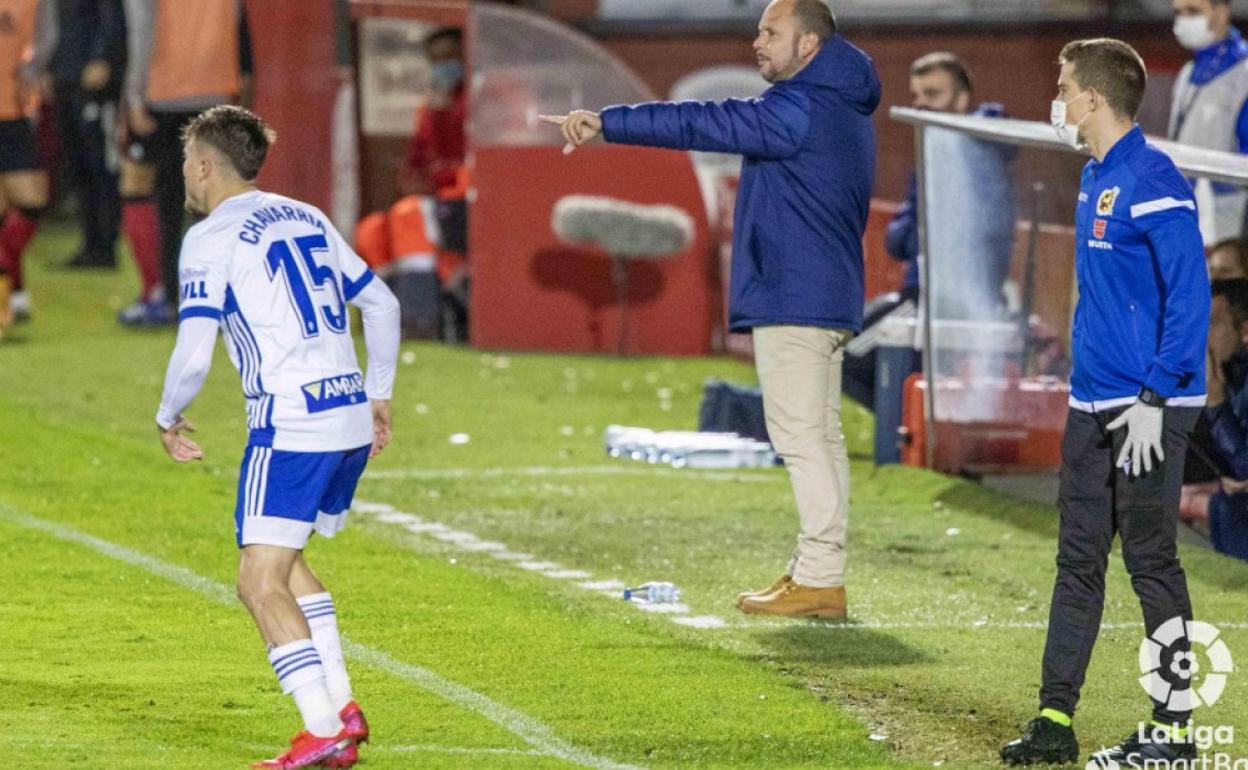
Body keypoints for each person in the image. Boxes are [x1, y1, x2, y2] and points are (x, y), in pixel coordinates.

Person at [542, 0, 879, 620]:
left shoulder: (799, 107)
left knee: (802, 438)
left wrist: (610, 123)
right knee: (819, 437)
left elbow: (706, 122)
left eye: (770, 32)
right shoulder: (836, 98)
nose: (757, 42)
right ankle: (814, 571)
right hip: (821, 292)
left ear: (808, 45)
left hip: (797, 296)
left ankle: (822, 578)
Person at [153, 106, 400, 769]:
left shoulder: (208, 239)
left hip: (291, 425)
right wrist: (379, 391)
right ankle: (343, 708)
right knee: (290, 565)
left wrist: (167, 415)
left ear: (204, 164)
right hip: (345, 416)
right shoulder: (306, 215)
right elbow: (381, 302)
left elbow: (194, 353)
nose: (184, 174)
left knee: (258, 583)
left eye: (185, 162)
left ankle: (321, 728)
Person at [1001, 39, 1210, 767]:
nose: (1056, 101)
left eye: (1062, 88)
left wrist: (1156, 394)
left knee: (1151, 559)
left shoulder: (1154, 178)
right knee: (1077, 561)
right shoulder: (1098, 174)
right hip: (1091, 404)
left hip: (1149, 406)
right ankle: (1055, 720)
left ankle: (1176, 732)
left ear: (1091, 98)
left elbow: (1191, 297)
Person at [122, 0, 252, 325]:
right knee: (211, 206)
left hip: (165, 90)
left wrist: (135, 96)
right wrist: (244, 78)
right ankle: (213, 300)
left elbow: (141, 31)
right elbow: (239, 23)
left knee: (167, 204)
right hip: (217, 88)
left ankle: (168, 297)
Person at [885, 52, 1014, 305]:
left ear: (961, 99)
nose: (920, 104)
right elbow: (898, 239)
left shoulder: (983, 153)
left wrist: (912, 236)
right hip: (919, 290)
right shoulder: (927, 157)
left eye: (932, 94)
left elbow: (955, 236)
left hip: (967, 298)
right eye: (917, 95)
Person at [49, 0, 125, 269]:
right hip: (66, 79)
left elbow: (113, 16)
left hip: (94, 82)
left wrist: (102, 56)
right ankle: (90, 244)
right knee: (79, 167)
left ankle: (105, 247)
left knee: (100, 165)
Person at [1169, 0, 1248, 245]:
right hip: (1184, 210)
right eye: (1178, 13)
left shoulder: (1243, 73)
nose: (1183, 20)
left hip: (1230, 218)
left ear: (1221, 12)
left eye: (1193, 11)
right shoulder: (1187, 73)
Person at [1181, 279, 1248, 558]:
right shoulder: (1231, 373)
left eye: (1212, 324)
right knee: (1224, 502)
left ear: (1244, 331)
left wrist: (1217, 402)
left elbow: (1244, 465)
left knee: (1230, 506)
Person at [0, 0, 57, 326]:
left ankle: (7, 272)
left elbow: (48, 36)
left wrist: (32, 69)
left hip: (15, 108)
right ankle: (12, 299)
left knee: (33, 201)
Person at [402, 27, 466, 196]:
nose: (442, 65)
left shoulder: (478, 99)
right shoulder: (430, 106)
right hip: (436, 192)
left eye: (449, 57)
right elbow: (418, 152)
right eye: (436, 60)